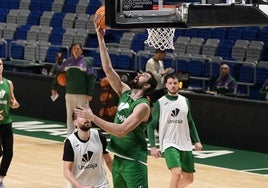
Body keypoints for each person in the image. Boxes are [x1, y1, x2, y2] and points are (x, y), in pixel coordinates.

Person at [74, 23, 158, 188]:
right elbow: (107, 68)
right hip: (118, 159)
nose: (139, 75)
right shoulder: (124, 92)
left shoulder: (143, 107)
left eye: (144, 76)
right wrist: (100, 37)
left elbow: (120, 131)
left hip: (134, 162)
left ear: (147, 86)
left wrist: (93, 118)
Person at [147, 73, 203, 188]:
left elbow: (190, 122)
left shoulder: (185, 101)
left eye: (175, 83)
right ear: (166, 86)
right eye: (170, 83)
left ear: (179, 85)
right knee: (176, 174)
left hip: (185, 143)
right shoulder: (160, 103)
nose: (173, 85)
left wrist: (197, 140)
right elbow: (151, 125)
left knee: (189, 179)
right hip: (169, 143)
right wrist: (153, 146)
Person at [63, 108, 112, 188]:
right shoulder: (70, 142)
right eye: (82, 116)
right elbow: (66, 171)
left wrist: (117, 177)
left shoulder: (99, 136)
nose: (86, 119)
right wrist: (80, 186)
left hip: (100, 184)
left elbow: (109, 161)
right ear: (75, 122)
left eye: (87, 116)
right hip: (78, 185)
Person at [59, 43, 96, 135]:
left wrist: (90, 93)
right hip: (69, 93)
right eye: (74, 49)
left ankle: (86, 134)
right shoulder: (66, 62)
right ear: (71, 50)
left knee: (84, 116)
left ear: (81, 50)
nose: (76, 50)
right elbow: (59, 74)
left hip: (82, 94)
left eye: (78, 49)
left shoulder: (86, 62)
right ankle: (70, 135)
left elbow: (91, 78)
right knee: (69, 115)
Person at [0, 59, 20, 188]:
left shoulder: (9, 83)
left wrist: (14, 103)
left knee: (9, 152)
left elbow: (13, 100)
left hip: (7, 122)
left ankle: (0, 179)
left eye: (0, 64)